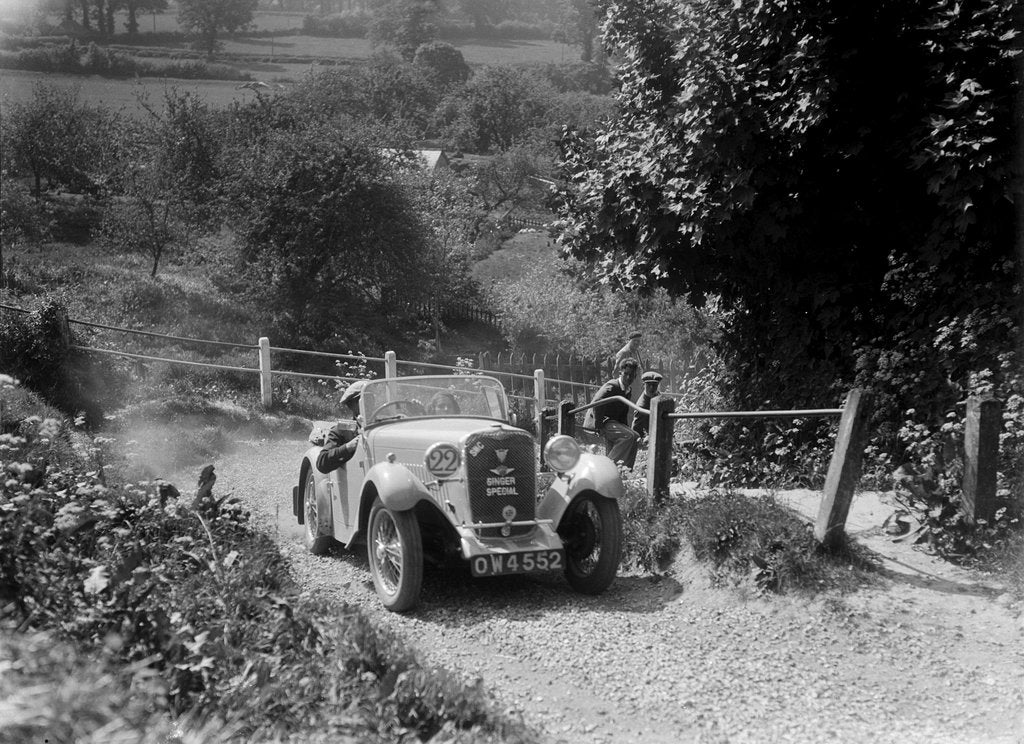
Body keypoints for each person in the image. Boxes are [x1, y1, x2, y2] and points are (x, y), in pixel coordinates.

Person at [588, 358, 640, 468]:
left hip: (612, 422)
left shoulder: (627, 390)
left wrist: (625, 427)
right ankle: (606, 468)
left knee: (636, 436)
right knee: (628, 436)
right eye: (626, 374)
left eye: (631, 375)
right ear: (620, 373)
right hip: (601, 421)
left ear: (635, 376)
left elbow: (623, 412)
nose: (628, 377)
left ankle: (625, 470)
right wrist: (598, 426)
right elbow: (597, 403)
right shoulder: (612, 386)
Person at [316, 379, 366, 473]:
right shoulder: (343, 430)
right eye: (365, 399)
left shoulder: (386, 425)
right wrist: (348, 447)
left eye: (372, 398)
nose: (370, 403)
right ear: (352, 405)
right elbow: (322, 463)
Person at [631, 371, 663, 438]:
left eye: (654, 385)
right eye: (648, 385)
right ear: (644, 385)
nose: (651, 388)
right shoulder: (641, 406)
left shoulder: (658, 396)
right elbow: (635, 429)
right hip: (650, 436)